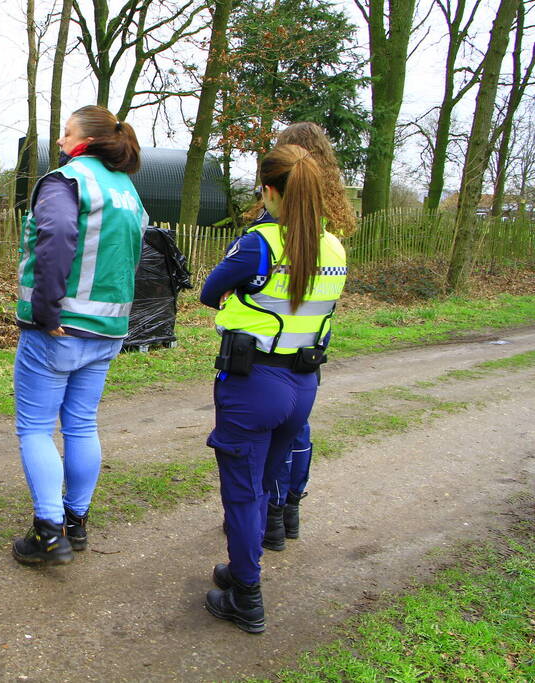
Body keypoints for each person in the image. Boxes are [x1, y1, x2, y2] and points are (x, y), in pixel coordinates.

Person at [199, 143, 347, 632]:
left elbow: (207, 293)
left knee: (241, 494)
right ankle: (242, 570)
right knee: (264, 484)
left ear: (267, 190)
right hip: (304, 383)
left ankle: (247, 596)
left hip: (254, 382)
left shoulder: (257, 244)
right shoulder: (333, 247)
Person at [11, 105, 147, 565]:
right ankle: (77, 521)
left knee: (34, 428)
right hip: (108, 329)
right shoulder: (127, 189)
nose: (61, 141)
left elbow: (57, 233)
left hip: (59, 327)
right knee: (82, 424)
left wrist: (47, 309)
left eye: (67, 133)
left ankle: (49, 532)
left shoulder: (66, 180)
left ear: (85, 140)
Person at [246, 123, 357, 552]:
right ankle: (289, 507)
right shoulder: (332, 220)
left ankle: (269, 513)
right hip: (313, 332)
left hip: (270, 342)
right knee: (298, 426)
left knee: (272, 431)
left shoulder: (275, 218)